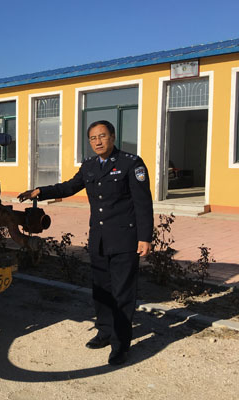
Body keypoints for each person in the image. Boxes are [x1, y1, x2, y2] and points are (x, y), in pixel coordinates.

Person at [18, 120, 153, 366]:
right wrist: (41, 191)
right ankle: (104, 332)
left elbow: (143, 203)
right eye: (93, 138)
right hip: (99, 239)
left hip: (124, 240)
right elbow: (70, 187)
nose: (97, 142)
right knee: (101, 290)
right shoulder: (89, 165)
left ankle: (120, 345)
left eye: (102, 136)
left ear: (112, 137)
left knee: (122, 293)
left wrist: (145, 237)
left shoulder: (131, 164)